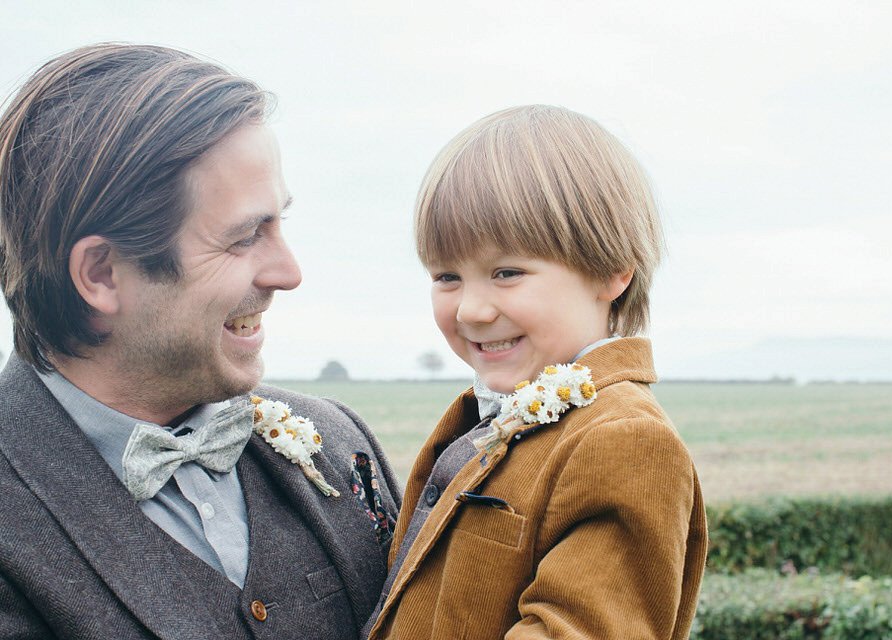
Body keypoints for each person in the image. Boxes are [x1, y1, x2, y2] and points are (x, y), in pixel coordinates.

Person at [0, 43, 400, 639]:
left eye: (279, 223)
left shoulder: (339, 443)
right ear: (102, 274)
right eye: (244, 238)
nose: (288, 273)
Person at [365, 105, 707, 639]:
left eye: (507, 272)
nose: (470, 310)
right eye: (447, 276)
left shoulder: (624, 440)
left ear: (612, 269)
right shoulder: (490, 416)